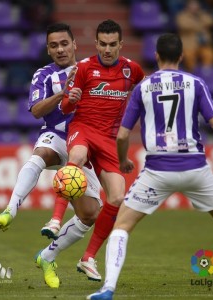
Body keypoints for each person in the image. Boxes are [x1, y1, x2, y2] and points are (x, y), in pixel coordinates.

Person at [86, 32, 213, 300]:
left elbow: (122, 135)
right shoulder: (195, 83)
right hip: (195, 167)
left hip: (158, 170)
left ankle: (107, 289)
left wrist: (124, 159)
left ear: (156, 56)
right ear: (182, 56)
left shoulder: (143, 87)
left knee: (121, 227)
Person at [35, 19, 145, 287]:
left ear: (121, 44)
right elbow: (64, 108)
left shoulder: (133, 70)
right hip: (82, 128)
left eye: (112, 45)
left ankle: (88, 257)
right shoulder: (83, 68)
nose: (107, 50)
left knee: (118, 197)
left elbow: (143, 94)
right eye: (103, 44)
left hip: (108, 138)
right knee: (76, 159)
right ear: (96, 44)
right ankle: (56, 219)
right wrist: (70, 99)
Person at [0, 23, 102, 267]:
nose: (60, 49)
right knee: (40, 153)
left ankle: (47, 256)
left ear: (74, 44)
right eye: (54, 46)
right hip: (56, 136)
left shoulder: (92, 70)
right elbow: (36, 111)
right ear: (48, 50)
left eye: (64, 43)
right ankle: (10, 210)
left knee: (90, 213)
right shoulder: (43, 75)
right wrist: (62, 93)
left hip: (84, 145)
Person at [175, 0, 213, 72]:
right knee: (188, 56)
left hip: (203, 44)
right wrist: (201, 25)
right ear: (187, 7)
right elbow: (183, 25)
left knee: (210, 54)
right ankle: (193, 73)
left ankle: (205, 73)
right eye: (192, 5)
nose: (194, 7)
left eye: (195, 5)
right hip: (189, 45)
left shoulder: (202, 14)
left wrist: (199, 18)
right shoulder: (182, 15)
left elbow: (211, 21)